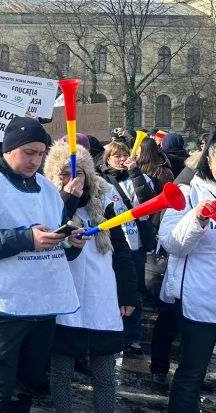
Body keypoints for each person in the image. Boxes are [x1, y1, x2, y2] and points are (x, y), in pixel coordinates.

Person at [0, 116, 87, 412]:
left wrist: (69, 243)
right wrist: (25, 239)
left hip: (41, 304)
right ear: (9, 148)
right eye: (29, 152)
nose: (36, 161)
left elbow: (51, 243)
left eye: (40, 154)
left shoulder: (48, 188)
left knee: (24, 390)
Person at [44, 141, 139, 412]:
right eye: (64, 173)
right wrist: (67, 198)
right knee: (62, 373)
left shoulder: (104, 205)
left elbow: (122, 253)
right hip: (66, 300)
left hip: (102, 297)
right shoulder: (49, 204)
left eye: (78, 173)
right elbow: (50, 234)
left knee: (105, 375)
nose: (72, 179)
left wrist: (128, 294)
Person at [159, 133, 216, 411]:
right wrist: (198, 218)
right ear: (210, 156)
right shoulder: (186, 191)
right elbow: (171, 243)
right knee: (193, 372)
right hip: (199, 299)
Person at [101, 140, 156, 355]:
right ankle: (112, 331)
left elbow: (148, 203)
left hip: (136, 244)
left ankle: (132, 337)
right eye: (117, 156)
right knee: (111, 288)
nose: (123, 159)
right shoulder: (101, 180)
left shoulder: (140, 177)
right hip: (113, 243)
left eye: (125, 155)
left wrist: (135, 173)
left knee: (133, 289)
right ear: (107, 159)